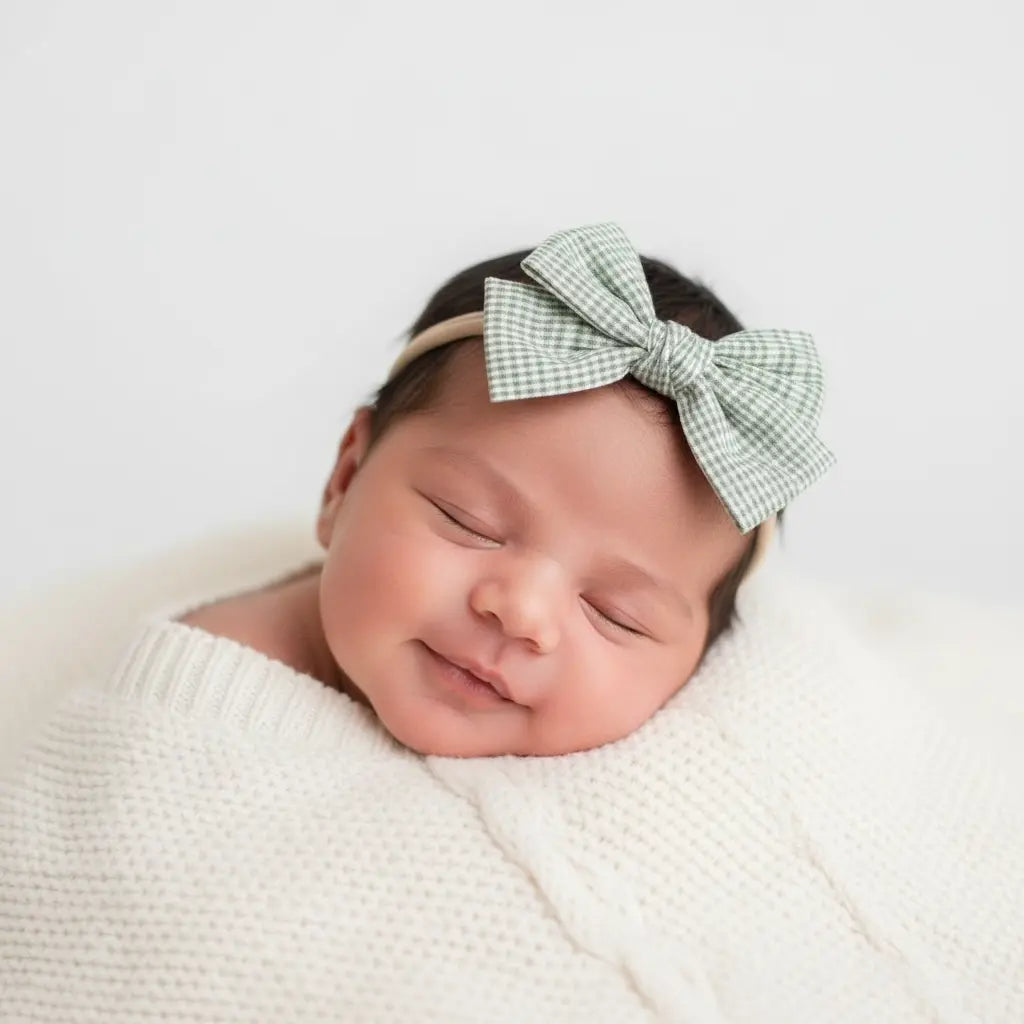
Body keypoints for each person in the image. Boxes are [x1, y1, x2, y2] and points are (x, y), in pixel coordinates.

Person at [179, 221, 834, 757]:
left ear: (694, 673)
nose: (522, 612)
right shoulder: (197, 699)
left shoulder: (685, 783)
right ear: (345, 480)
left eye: (614, 613)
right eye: (469, 522)